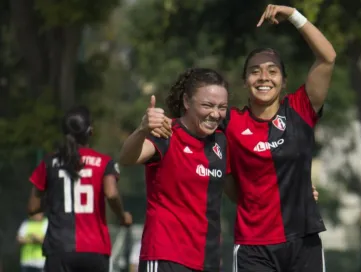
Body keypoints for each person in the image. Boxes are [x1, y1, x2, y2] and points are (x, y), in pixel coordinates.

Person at [152, 4, 335, 271]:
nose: (264, 77)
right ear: (244, 81)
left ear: (284, 81)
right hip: (254, 247)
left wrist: (294, 15)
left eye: (272, 71)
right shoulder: (230, 122)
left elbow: (328, 57)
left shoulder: (300, 110)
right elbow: (189, 129)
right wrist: (156, 124)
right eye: (254, 71)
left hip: (303, 241)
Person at [119, 68, 229, 272]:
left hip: (209, 261)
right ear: (187, 102)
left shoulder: (222, 141)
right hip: (166, 256)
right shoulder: (167, 133)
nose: (215, 114)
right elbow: (127, 158)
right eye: (207, 105)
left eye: (222, 107)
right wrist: (142, 129)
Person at [27, 106, 133, 272]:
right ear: (90, 131)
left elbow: (33, 207)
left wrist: (56, 198)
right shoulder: (104, 162)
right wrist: (122, 216)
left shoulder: (48, 163)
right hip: (94, 248)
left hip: (59, 247)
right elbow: (111, 194)